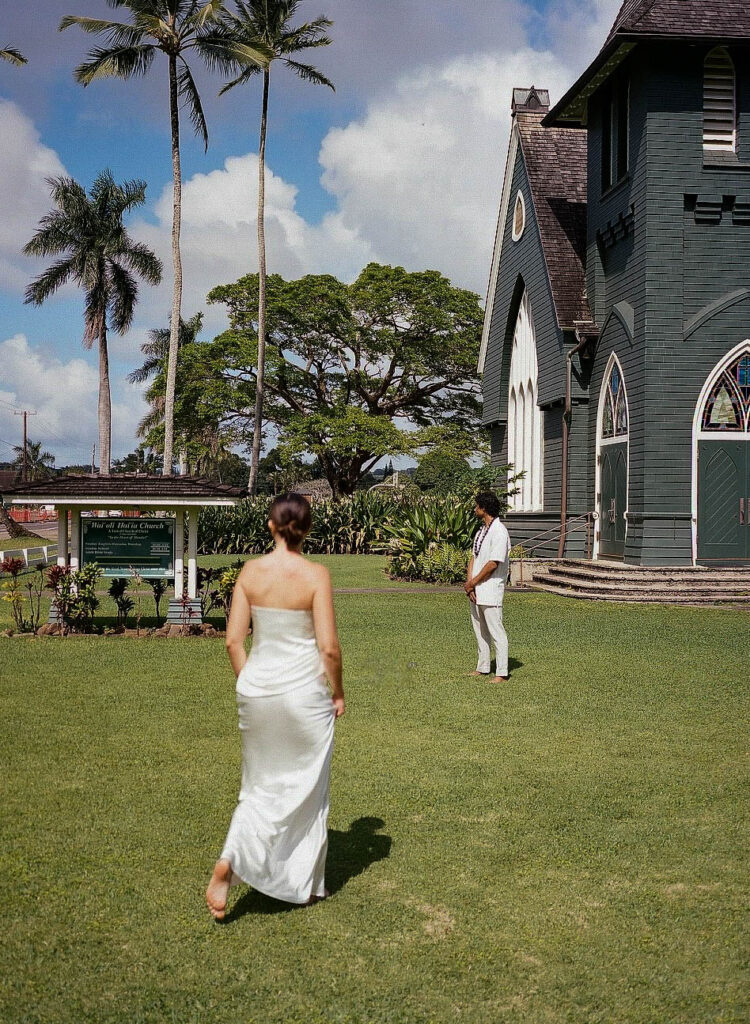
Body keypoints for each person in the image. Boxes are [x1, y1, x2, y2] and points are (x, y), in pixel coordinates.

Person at [206, 493, 345, 920]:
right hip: (305, 694)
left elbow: (233, 640)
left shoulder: (250, 572)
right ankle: (303, 885)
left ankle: (234, 858)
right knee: (306, 787)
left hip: (258, 690)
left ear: (270, 525)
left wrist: (250, 681)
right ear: (307, 528)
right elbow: (329, 648)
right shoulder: (315, 575)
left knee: (259, 785)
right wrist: (338, 693)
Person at [464, 491, 511, 682]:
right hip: (476, 590)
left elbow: (493, 563)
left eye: (477, 506)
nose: (475, 509)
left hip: (490, 588)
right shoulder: (481, 531)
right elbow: (473, 557)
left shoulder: (499, 531)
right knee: (480, 630)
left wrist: (473, 582)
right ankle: (483, 667)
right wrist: (470, 585)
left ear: (484, 508)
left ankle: (502, 672)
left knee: (496, 631)